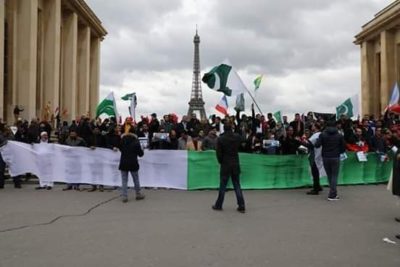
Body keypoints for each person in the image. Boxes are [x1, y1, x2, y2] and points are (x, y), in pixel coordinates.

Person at [212, 122, 245, 213]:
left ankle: (219, 204)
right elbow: (243, 139)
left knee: (223, 185)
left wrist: (221, 161)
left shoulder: (221, 138)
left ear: (224, 129)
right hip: (235, 162)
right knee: (237, 185)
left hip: (225, 163)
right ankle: (241, 205)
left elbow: (218, 153)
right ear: (231, 128)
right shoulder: (236, 137)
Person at [315, 120, 345, 201]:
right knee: (334, 176)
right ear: (335, 126)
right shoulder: (339, 135)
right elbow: (343, 148)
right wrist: (338, 151)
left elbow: (317, 145)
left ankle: (332, 192)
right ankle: (332, 194)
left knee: (329, 175)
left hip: (325, 157)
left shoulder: (322, 134)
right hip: (335, 157)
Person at [119, 128, 145, 203]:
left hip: (123, 162)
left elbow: (120, 149)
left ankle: (124, 196)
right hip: (133, 162)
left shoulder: (122, 140)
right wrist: (142, 150)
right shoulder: (136, 141)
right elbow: (140, 154)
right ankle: (138, 194)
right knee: (135, 179)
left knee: (124, 180)